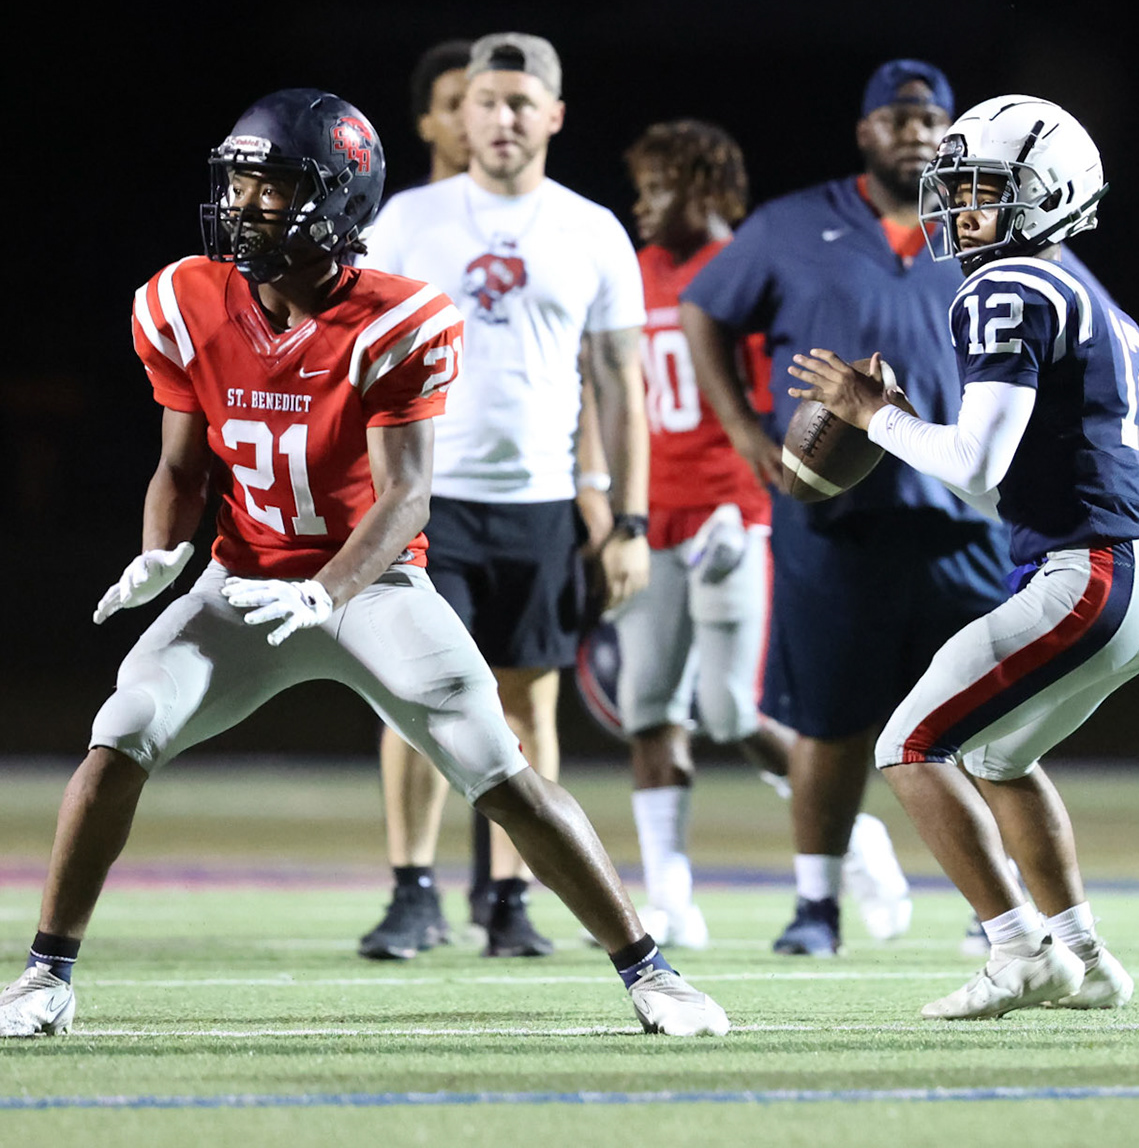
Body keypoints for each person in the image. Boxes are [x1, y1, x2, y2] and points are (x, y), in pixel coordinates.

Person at [0, 90, 725, 1039]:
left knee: (499, 770)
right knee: (121, 731)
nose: (244, 204)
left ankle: (651, 972)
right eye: (238, 182)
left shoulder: (396, 319)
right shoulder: (184, 299)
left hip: (372, 587)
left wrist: (325, 591)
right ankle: (46, 976)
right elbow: (181, 468)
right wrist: (160, 551)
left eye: (272, 185)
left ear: (338, 200)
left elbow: (407, 496)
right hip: (241, 586)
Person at [788, 95, 1139, 1018]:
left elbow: (977, 465)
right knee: (997, 758)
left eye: (985, 188)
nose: (960, 206)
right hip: (1136, 581)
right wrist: (901, 429)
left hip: (1087, 573)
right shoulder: (1094, 302)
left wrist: (875, 418)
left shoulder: (1007, 288)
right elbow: (999, 490)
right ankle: (1085, 958)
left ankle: (1019, 950)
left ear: (1049, 195)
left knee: (909, 745)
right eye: (958, 187)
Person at [680, 61, 1008, 956]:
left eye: (932, 119)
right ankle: (816, 905)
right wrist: (743, 431)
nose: (916, 131)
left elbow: (1070, 312)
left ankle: (997, 908)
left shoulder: (988, 225)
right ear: (865, 131)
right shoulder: (792, 224)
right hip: (833, 517)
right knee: (829, 719)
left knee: (984, 720)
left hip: (962, 514)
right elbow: (704, 309)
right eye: (897, 117)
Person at [573, 119, 910, 947]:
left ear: (703, 189)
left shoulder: (751, 269)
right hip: (651, 512)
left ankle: (855, 837)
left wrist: (758, 502)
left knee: (731, 711)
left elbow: (790, 410)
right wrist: (604, 499)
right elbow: (601, 391)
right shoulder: (631, 272)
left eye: (659, 188)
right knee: (648, 708)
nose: (642, 206)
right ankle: (670, 899)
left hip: (732, 510)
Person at [356, 33, 652, 959]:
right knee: (415, 699)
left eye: (521, 103)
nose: (501, 119)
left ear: (554, 115)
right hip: (423, 500)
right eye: (485, 101)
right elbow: (348, 359)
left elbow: (621, 384)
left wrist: (627, 517)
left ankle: (512, 897)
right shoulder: (406, 221)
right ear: (463, 111)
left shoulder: (592, 230)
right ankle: (412, 893)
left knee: (525, 708)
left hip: (538, 502)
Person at [408, 39, 473, 187]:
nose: (468, 117)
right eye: (453, 106)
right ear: (425, 125)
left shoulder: (523, 199)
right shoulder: (401, 202)